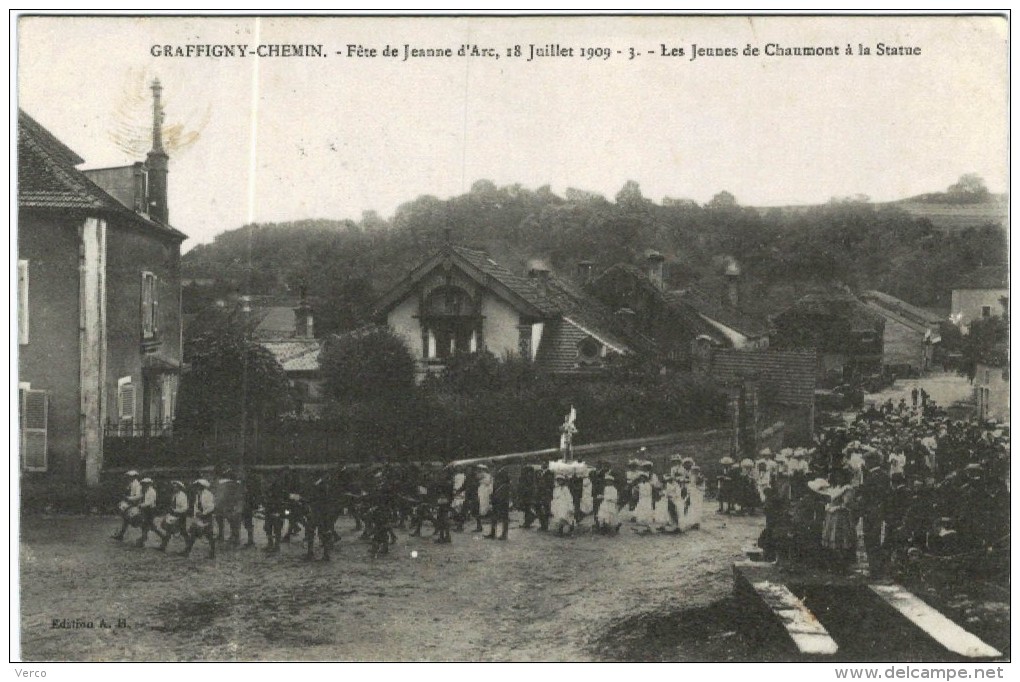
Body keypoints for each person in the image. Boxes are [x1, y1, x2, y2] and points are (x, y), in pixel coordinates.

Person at [818, 469, 856, 573]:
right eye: (838, 476)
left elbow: (847, 504)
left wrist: (836, 508)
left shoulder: (848, 488)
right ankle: (834, 565)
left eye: (841, 476)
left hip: (841, 517)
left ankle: (842, 566)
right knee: (831, 540)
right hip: (831, 516)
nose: (839, 478)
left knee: (840, 540)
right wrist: (828, 506)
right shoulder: (835, 488)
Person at [182, 479, 216, 559]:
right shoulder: (198, 495)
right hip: (200, 517)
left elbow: (211, 507)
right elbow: (196, 506)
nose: (196, 487)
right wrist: (196, 513)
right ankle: (187, 551)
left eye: (198, 486)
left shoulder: (208, 494)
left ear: (202, 486)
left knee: (209, 535)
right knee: (194, 533)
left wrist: (204, 513)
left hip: (207, 516)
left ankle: (212, 553)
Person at [112, 470, 143, 541]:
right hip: (131, 502)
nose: (129, 478)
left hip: (135, 504)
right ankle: (121, 535)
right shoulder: (131, 483)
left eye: (130, 476)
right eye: (129, 476)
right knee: (126, 519)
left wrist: (129, 498)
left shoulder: (137, 485)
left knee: (134, 520)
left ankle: (143, 536)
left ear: (134, 477)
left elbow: (139, 496)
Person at [158, 481, 189, 552]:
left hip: (181, 515)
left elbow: (185, 508)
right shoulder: (174, 495)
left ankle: (188, 545)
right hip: (174, 514)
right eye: (174, 487)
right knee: (169, 530)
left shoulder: (183, 496)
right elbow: (173, 504)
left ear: (179, 488)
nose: (174, 488)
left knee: (183, 531)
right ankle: (163, 546)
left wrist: (176, 511)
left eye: (176, 487)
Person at [135, 477, 163, 548]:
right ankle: (143, 538)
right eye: (143, 484)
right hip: (145, 510)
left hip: (150, 510)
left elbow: (150, 502)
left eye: (146, 484)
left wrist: (141, 505)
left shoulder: (152, 491)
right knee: (145, 525)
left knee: (149, 525)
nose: (144, 485)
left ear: (149, 484)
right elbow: (140, 497)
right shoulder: (144, 491)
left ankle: (162, 536)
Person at [485, 467, 511, 541]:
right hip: (496, 500)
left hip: (503, 500)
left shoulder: (505, 484)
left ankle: (504, 534)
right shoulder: (497, 479)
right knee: (494, 517)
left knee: (504, 517)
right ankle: (493, 533)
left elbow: (504, 492)